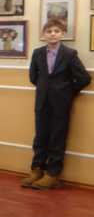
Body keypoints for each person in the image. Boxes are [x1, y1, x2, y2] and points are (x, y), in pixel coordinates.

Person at [23, 18, 91, 190]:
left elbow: (84, 78)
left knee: (57, 137)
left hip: (61, 103)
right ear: (44, 35)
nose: (53, 34)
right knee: (40, 136)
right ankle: (37, 169)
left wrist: (68, 92)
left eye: (56, 31)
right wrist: (44, 88)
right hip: (42, 101)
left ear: (62, 34)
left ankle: (52, 174)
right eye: (49, 31)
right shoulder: (37, 53)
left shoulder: (69, 54)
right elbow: (33, 77)